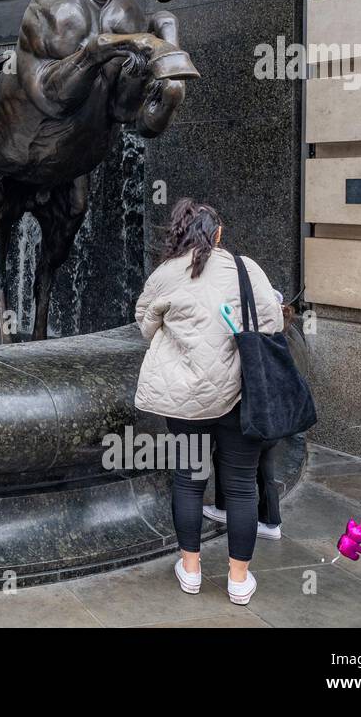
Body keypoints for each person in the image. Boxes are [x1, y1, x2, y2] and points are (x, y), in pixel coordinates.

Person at [134, 199, 282, 606]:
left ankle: (192, 569)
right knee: (239, 486)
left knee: (188, 479)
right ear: (218, 234)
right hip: (240, 395)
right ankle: (238, 579)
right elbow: (272, 323)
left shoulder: (166, 274)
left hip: (185, 400)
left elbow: (145, 324)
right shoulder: (245, 267)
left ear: (180, 232)